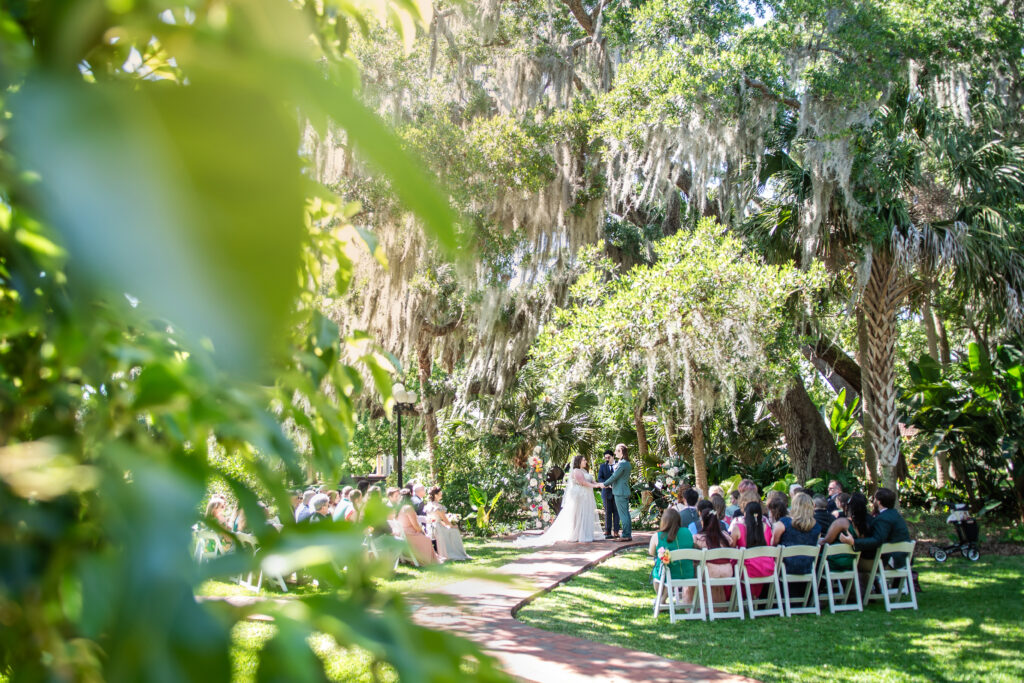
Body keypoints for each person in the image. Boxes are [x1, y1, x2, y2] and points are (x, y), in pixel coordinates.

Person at [515, 454, 605, 546]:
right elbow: (583, 482)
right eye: (584, 460)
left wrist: (601, 484)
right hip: (580, 496)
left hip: (586, 496)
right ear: (579, 462)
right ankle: (578, 534)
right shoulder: (576, 471)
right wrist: (596, 486)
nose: (585, 461)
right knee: (579, 514)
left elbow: (591, 481)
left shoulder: (584, 471)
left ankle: (584, 533)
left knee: (585, 513)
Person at [840, 487, 911, 571]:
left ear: (879, 502)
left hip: (891, 562)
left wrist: (854, 542)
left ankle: (864, 584)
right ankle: (872, 584)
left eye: (874, 499)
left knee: (848, 564)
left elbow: (877, 540)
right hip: (903, 560)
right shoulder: (895, 514)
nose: (873, 501)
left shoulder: (883, 518)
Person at [648, 508, 695, 603]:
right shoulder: (687, 532)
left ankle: (661, 599)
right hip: (688, 572)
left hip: (667, 574)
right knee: (667, 568)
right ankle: (662, 599)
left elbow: (652, 553)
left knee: (659, 569)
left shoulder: (658, 536)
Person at [730, 500, 775, 597]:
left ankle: (738, 597)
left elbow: (732, 549)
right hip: (767, 567)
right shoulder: (767, 527)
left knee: (732, 564)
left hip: (747, 569)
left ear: (745, 514)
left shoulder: (738, 528)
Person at [771, 492, 821, 575]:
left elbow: (773, 545)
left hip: (784, 568)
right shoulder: (817, 527)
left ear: (794, 506)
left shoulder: (783, 523)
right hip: (807, 568)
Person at [693, 508, 734, 603]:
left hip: (709, 573)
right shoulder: (725, 537)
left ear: (703, 522)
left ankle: (698, 602)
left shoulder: (698, 538)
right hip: (728, 572)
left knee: (695, 568)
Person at [822, 492, 870, 571]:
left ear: (849, 506)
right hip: (852, 562)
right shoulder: (865, 526)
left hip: (835, 562)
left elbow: (826, 541)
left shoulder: (841, 523)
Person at [425, 487, 470, 561]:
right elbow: (444, 520)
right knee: (455, 531)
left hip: (431, 527)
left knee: (451, 529)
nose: (441, 494)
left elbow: (439, 520)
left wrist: (448, 524)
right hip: (438, 528)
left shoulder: (429, 505)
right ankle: (455, 552)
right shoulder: (438, 506)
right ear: (435, 495)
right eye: (440, 493)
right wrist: (453, 525)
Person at [396, 492, 439, 564]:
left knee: (425, 536)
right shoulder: (408, 508)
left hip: (402, 533)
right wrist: (422, 531)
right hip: (409, 535)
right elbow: (415, 526)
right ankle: (426, 559)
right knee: (427, 539)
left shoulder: (399, 508)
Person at [602, 444, 633, 542]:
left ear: (622, 451)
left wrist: (605, 484)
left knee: (623, 514)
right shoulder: (626, 463)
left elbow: (615, 476)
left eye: (617, 451)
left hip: (620, 492)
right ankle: (627, 534)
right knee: (626, 514)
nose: (615, 453)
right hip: (623, 490)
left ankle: (625, 535)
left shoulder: (622, 463)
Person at [597, 449, 620, 538]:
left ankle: (616, 531)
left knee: (616, 512)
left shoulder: (619, 464)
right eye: (605, 458)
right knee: (607, 512)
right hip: (606, 492)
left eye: (608, 457)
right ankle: (607, 530)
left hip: (617, 491)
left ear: (613, 456)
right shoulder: (603, 466)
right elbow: (600, 478)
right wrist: (606, 484)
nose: (607, 459)